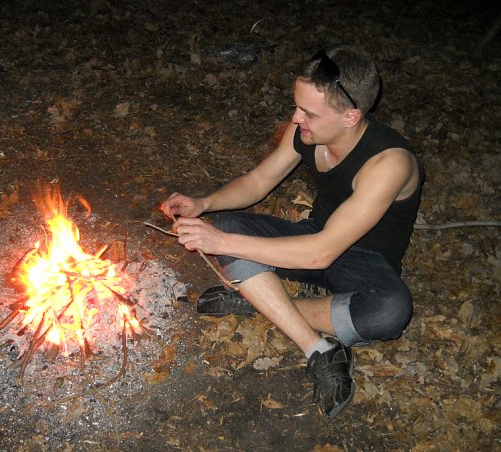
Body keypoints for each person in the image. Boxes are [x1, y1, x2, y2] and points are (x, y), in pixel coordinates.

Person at [160, 45, 424, 418]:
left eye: (309, 113)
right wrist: (204, 203)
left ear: (350, 116)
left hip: (365, 264)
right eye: (297, 106)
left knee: (390, 311)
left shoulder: (389, 163)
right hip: (312, 236)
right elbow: (259, 181)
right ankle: (310, 338)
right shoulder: (306, 130)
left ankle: (266, 308)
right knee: (230, 224)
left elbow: (321, 253)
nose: (297, 118)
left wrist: (219, 242)